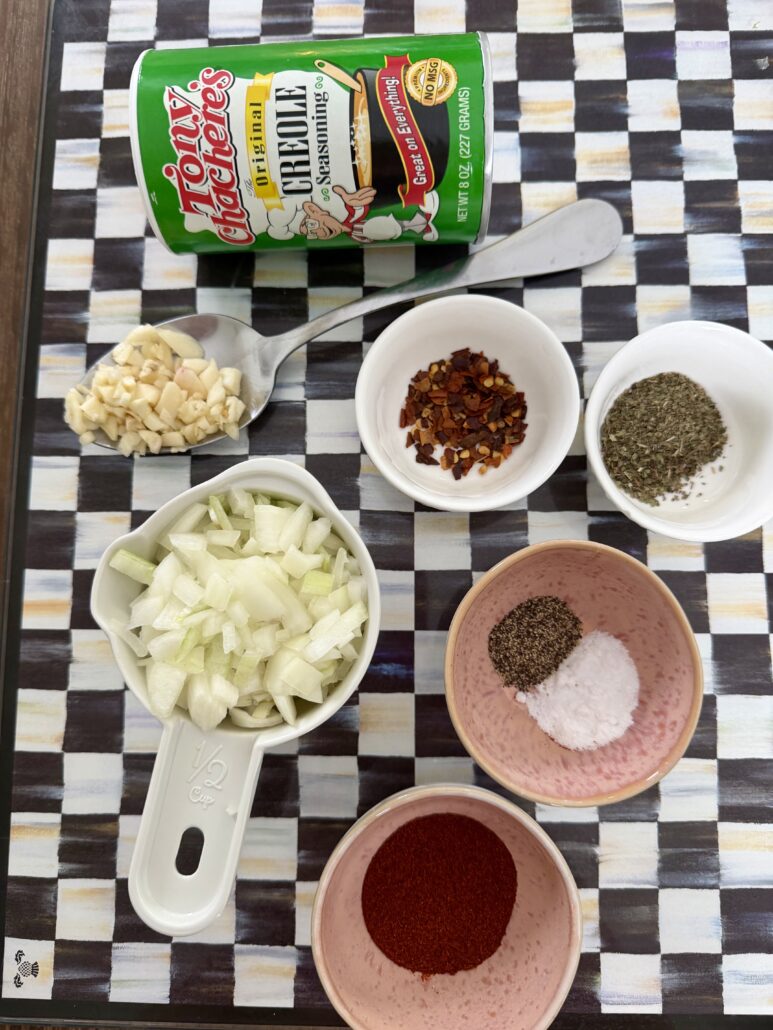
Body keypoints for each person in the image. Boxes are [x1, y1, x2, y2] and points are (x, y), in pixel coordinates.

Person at [267, 184, 439, 243]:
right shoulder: (346, 224)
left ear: (314, 210)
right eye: (311, 234)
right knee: (387, 228)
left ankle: (419, 200)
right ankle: (420, 223)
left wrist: (348, 199)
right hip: (365, 229)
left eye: (310, 225)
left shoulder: (340, 209)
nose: (317, 232)